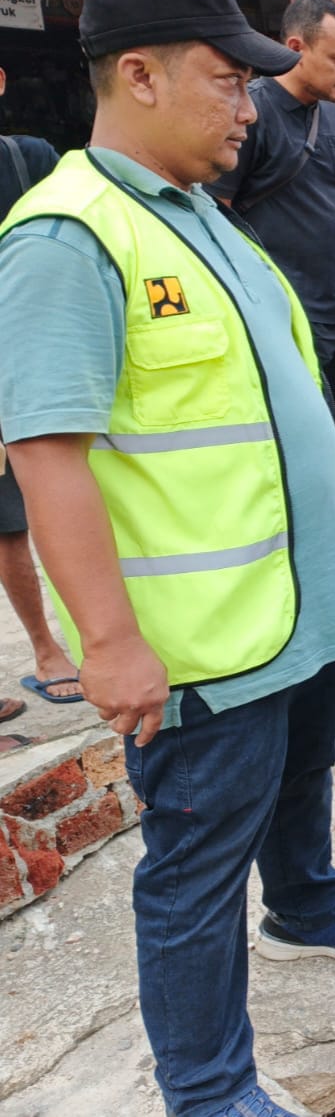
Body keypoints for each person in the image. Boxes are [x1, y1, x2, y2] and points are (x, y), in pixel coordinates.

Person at [0, 0, 335, 1117]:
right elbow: (46, 450)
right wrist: (110, 637)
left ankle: (310, 904)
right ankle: (209, 1086)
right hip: (201, 641)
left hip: (292, 606)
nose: (250, 108)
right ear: (137, 74)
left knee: (301, 774)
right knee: (192, 869)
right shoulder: (67, 236)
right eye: (228, 82)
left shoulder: (196, 217)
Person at [209, 0, 335, 558]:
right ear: (295, 48)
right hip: (285, 317)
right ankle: (305, 545)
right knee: (302, 441)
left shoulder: (334, 116)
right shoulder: (253, 112)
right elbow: (219, 213)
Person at [0, 67, 82, 715]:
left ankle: (98, 633)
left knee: (81, 494)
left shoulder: (31, 161)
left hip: (47, 361)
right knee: (6, 525)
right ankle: (46, 647)